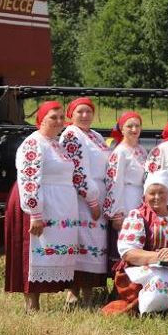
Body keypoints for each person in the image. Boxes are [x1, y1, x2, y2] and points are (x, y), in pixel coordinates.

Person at [5, 101, 80, 312]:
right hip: (34, 204)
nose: (58, 122)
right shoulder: (33, 143)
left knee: (46, 252)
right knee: (32, 251)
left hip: (57, 206)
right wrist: (35, 213)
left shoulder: (55, 143)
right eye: (52, 118)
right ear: (41, 119)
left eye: (60, 118)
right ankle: (31, 305)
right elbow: (28, 179)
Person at [104, 170, 168, 316]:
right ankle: (154, 309)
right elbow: (129, 253)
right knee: (161, 282)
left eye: (162, 192)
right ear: (144, 195)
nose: (157, 197)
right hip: (142, 270)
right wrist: (162, 258)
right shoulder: (137, 216)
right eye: (152, 193)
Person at [59, 97, 110, 307]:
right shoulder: (71, 134)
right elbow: (77, 170)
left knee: (93, 245)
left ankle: (89, 293)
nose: (85, 115)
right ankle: (74, 292)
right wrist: (91, 200)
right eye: (80, 112)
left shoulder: (95, 136)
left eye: (88, 111)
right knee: (82, 243)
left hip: (98, 193)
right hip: (82, 199)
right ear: (71, 115)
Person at [104, 111, 148, 238]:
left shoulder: (141, 150)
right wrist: (117, 213)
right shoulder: (120, 152)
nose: (134, 129)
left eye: (137, 126)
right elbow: (114, 183)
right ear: (122, 129)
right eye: (130, 126)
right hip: (126, 200)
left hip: (140, 199)